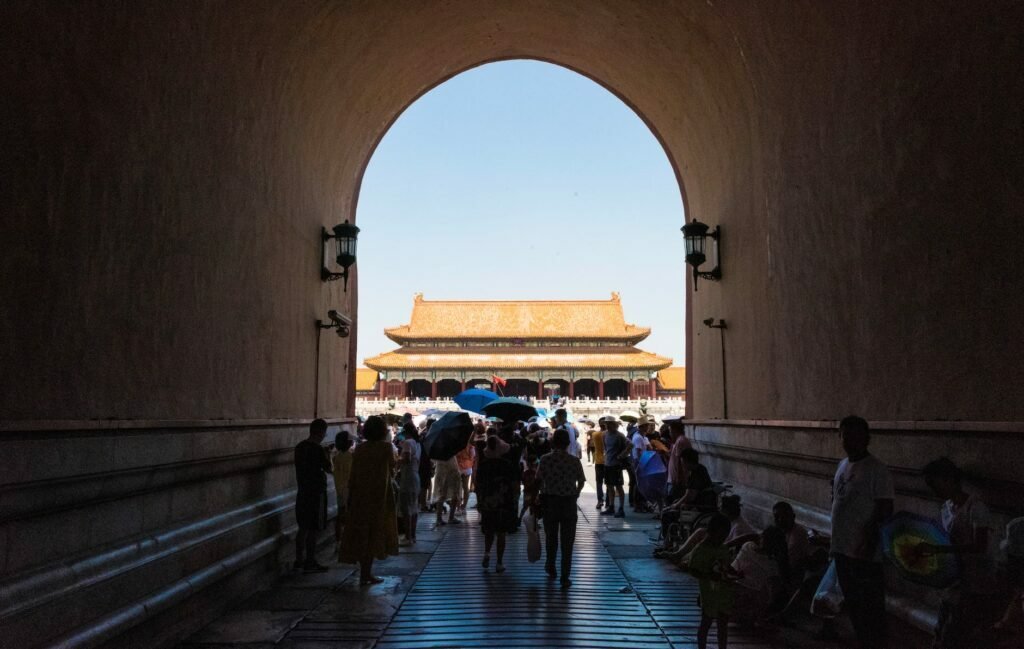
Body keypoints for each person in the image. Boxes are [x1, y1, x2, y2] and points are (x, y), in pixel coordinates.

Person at [917, 456, 1000, 648]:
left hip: (975, 582)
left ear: (948, 479)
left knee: (955, 633)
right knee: (943, 630)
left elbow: (979, 546)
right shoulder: (947, 508)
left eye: (935, 484)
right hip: (955, 582)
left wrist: (939, 549)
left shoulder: (975, 508)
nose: (933, 490)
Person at [830, 415, 894, 649]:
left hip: (864, 552)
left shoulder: (877, 470)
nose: (848, 440)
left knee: (871, 608)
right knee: (854, 605)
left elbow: (885, 508)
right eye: (844, 435)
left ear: (867, 438)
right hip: (842, 548)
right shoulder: (843, 465)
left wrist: (870, 540)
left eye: (854, 435)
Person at [339, 415, 400, 585]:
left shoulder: (360, 449)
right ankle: (367, 572)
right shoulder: (386, 448)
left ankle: (363, 572)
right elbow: (392, 468)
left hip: (360, 494)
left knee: (361, 532)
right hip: (380, 495)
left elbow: (354, 473)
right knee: (375, 533)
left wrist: (350, 496)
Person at [537, 428, 586, 587]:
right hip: (569, 503)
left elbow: (539, 479)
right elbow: (581, 481)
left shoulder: (545, 459)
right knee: (568, 540)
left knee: (551, 537)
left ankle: (550, 565)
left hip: (550, 502)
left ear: (553, 442)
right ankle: (565, 576)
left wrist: (542, 492)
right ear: (568, 443)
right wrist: (576, 493)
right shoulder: (574, 460)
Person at [689, 513, 740, 649]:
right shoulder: (701, 550)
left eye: (725, 536)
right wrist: (709, 576)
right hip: (709, 593)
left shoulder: (723, 548)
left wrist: (735, 572)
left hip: (724, 592)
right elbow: (693, 569)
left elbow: (726, 565)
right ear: (711, 532)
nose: (723, 539)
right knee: (706, 623)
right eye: (721, 535)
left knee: (723, 625)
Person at [294, 418, 333, 573]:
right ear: (321, 432)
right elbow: (329, 468)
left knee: (302, 527)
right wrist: (327, 454)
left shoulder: (299, 447)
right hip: (316, 493)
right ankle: (310, 561)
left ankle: (299, 560)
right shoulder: (318, 449)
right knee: (313, 529)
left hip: (302, 491)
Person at [476, 435, 519, 573]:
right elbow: (514, 484)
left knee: (489, 530)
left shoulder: (483, 464)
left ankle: (487, 553)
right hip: (504, 501)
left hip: (488, 502)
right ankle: (499, 562)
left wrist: (479, 502)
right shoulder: (507, 464)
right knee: (501, 533)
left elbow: (478, 485)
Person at [731, 526, 790, 625]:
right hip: (745, 601)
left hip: (728, 592)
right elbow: (773, 593)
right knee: (768, 590)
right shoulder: (772, 565)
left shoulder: (747, 546)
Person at [396, 423, 421, 546]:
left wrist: (396, 460)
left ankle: (408, 537)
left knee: (406, 509)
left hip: (408, 478)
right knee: (414, 508)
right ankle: (413, 535)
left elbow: (407, 458)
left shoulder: (407, 443)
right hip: (415, 477)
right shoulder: (417, 443)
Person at [331, 429, 354, 560]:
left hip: (339, 489)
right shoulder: (351, 457)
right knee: (349, 517)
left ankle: (338, 542)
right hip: (349, 489)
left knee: (340, 516)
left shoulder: (336, 457)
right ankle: (347, 541)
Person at [600, 419, 629, 517]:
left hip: (616, 464)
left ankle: (621, 508)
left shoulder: (620, 435)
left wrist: (621, 455)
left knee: (618, 486)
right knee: (609, 486)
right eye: (606, 424)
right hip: (607, 464)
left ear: (614, 425)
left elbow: (630, 445)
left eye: (609, 424)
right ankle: (611, 506)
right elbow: (605, 448)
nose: (607, 426)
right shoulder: (604, 435)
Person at [772, 501, 811, 573]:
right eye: (777, 517)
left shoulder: (798, 533)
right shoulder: (778, 531)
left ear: (793, 516)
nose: (780, 520)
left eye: (784, 516)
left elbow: (789, 560)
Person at [665, 418, 692, 502]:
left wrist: (678, 479)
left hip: (677, 480)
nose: (669, 433)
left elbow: (681, 461)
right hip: (674, 479)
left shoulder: (681, 441)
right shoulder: (678, 441)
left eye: (670, 431)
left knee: (673, 501)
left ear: (675, 430)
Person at [432, 455, 463, 526]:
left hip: (441, 471)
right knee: (454, 493)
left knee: (441, 495)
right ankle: (450, 517)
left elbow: (433, 460)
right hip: (452, 470)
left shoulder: (437, 450)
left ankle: (439, 518)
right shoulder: (451, 448)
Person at [592, 417, 608, 511]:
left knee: (599, 482)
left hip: (598, 461)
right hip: (608, 461)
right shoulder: (608, 435)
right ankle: (609, 502)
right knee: (609, 483)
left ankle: (600, 500)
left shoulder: (595, 434)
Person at [456, 439, 475, 514]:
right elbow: (472, 456)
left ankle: (458, 506)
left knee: (458, 487)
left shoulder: (457, 444)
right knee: (465, 487)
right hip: (467, 466)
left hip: (458, 466)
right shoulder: (470, 446)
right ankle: (464, 506)